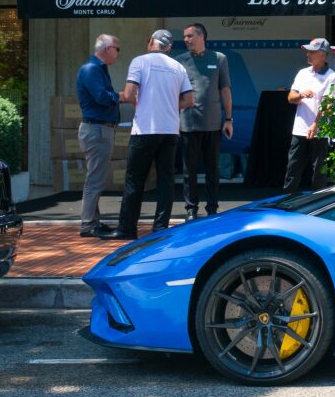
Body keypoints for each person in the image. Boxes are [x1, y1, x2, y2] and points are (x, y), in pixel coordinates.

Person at [103, 30, 194, 240]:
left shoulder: (140, 62)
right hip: (170, 130)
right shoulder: (178, 67)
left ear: (150, 42)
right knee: (166, 180)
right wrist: (170, 106)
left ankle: (127, 228)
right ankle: (160, 228)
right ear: (169, 47)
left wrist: (140, 104)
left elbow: (128, 94)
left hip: (145, 129)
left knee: (135, 179)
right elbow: (189, 100)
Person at [175, 22, 233, 222]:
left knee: (212, 168)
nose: (186, 40)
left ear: (202, 37)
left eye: (190, 36)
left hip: (214, 123)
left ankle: (212, 208)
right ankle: (191, 208)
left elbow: (225, 90)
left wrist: (229, 119)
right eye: (185, 36)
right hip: (188, 123)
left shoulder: (218, 58)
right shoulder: (179, 61)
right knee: (189, 169)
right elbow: (174, 94)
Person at [75, 34, 125, 238]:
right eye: (117, 49)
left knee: (96, 177)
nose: (118, 53)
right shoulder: (91, 69)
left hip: (100, 129)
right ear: (106, 48)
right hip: (96, 129)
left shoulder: (97, 69)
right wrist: (122, 96)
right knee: (95, 179)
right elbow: (102, 97)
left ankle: (93, 221)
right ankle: (88, 224)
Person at [284, 37, 335, 193]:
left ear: (323, 54)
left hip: (320, 130)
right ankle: (287, 201)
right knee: (293, 168)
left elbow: (327, 104)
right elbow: (290, 98)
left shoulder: (332, 76)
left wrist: (316, 124)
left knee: (318, 173)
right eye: (308, 51)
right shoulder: (302, 73)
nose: (308, 54)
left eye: (312, 52)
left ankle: (317, 205)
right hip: (299, 129)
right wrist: (301, 95)